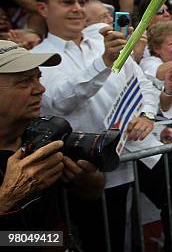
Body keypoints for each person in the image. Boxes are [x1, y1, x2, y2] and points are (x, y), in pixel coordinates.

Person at [31, 0, 172, 252]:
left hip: (139, 147)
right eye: (66, 2)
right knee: (110, 236)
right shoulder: (41, 56)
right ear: (42, 8)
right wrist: (104, 63)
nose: (76, 8)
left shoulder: (102, 44)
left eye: (80, 2)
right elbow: (59, 101)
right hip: (94, 165)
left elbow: (141, 82)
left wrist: (147, 114)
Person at [0, 40, 105, 235]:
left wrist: (88, 181)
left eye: (38, 78)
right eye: (24, 81)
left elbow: (90, 194)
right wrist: (6, 199)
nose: (40, 89)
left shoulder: (43, 136)